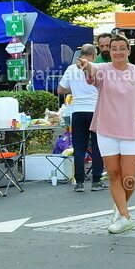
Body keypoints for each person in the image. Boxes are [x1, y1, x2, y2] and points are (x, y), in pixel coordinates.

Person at [79, 33, 135, 234]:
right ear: (108, 51)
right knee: (114, 174)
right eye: (114, 49)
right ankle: (124, 216)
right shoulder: (102, 70)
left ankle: (120, 208)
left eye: (122, 48)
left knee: (129, 178)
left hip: (131, 130)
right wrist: (86, 66)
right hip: (106, 130)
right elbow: (92, 73)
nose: (118, 52)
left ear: (129, 51)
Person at [57, 44, 105, 192]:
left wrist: (75, 87)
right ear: (94, 55)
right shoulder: (99, 68)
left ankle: (79, 182)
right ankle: (96, 180)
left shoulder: (71, 69)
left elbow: (60, 90)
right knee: (98, 146)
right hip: (96, 111)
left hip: (77, 111)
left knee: (79, 147)